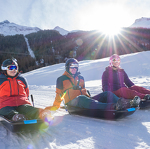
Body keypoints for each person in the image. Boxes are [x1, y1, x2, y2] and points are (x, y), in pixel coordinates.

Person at [46, 58, 138, 112]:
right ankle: (114, 106)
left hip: (84, 99)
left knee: (106, 94)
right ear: (67, 68)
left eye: (76, 67)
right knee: (82, 98)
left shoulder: (80, 78)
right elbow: (59, 95)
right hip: (71, 104)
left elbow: (84, 90)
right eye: (71, 67)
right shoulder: (61, 79)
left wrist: (89, 96)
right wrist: (55, 107)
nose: (74, 69)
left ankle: (127, 103)